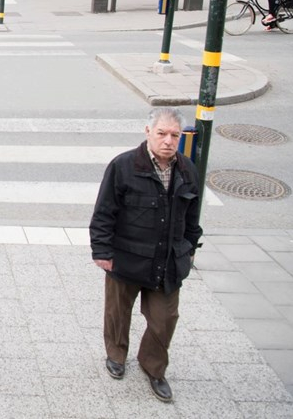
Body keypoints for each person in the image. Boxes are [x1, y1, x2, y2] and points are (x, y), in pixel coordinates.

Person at [89, 107, 202, 404]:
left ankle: (153, 367)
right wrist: (102, 251)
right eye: (162, 133)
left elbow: (192, 218)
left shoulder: (188, 170)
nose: (168, 141)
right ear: (148, 132)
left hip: (167, 262)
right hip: (126, 258)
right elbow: (103, 213)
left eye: (174, 135)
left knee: (165, 319)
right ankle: (116, 355)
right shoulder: (123, 166)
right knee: (117, 313)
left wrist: (189, 247)